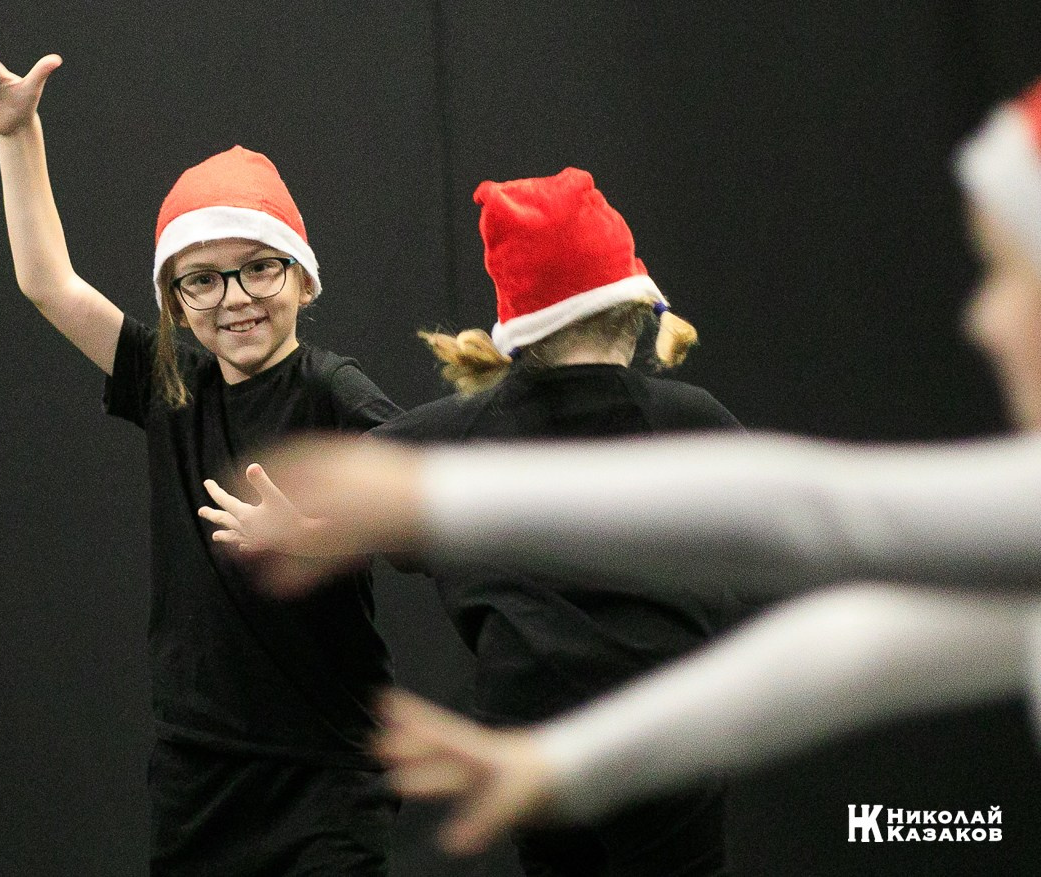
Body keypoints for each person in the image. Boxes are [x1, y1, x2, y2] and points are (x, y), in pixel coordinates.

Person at [231, 77, 1041, 852]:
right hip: (581, 759)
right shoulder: (655, 419)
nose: (982, 317)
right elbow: (854, 637)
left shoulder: (509, 432)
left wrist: (431, 500)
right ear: (632, 307)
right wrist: (561, 764)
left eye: (1009, 271)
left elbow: (806, 514)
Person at [0, 24, 402, 876]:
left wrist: (313, 535)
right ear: (175, 301)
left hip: (326, 772)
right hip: (200, 774)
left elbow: (419, 500)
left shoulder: (333, 389)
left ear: (302, 277)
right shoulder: (170, 382)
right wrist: (18, 135)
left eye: (259, 268)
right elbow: (48, 283)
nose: (235, 298)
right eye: (201, 280)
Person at [204, 168, 742, 876]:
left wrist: (297, 529)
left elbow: (357, 502)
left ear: (519, 331)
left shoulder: (449, 434)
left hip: (531, 736)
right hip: (667, 726)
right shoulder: (693, 418)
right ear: (634, 309)